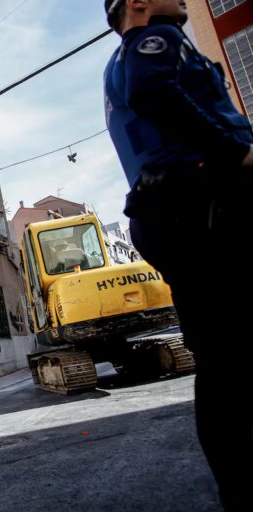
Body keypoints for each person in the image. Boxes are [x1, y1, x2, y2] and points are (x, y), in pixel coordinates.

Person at [103, 1, 253, 510]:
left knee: (223, 357)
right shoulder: (158, 39)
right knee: (233, 354)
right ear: (137, 5)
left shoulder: (115, 65)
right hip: (201, 203)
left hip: (171, 210)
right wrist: (237, 151)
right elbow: (154, 89)